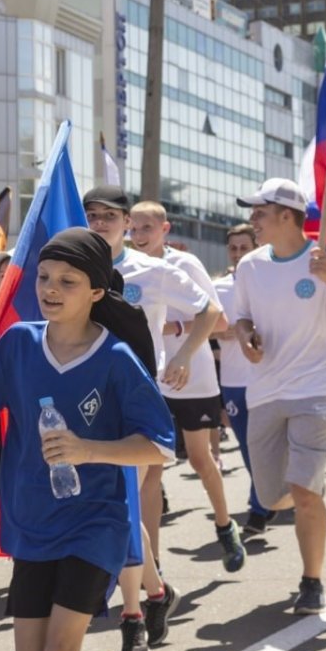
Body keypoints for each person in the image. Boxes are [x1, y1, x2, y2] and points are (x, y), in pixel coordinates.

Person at [0, 227, 174, 651]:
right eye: (45, 277)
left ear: (97, 291)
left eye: (67, 281)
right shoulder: (18, 343)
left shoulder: (115, 358)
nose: (51, 289)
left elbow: (160, 445)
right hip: (33, 521)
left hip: (94, 521)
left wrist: (88, 450)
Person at [83, 185, 218, 651]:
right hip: (87, 405)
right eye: (91, 215)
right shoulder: (73, 267)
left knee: (119, 506)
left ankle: (133, 616)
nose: (100, 223)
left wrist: (183, 354)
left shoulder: (156, 271)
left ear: (127, 221)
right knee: (115, 509)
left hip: (139, 404)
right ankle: (156, 591)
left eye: (108, 216)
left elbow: (211, 312)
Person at [233, 178, 326, 614]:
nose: (253, 221)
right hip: (264, 392)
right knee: (271, 496)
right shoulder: (251, 266)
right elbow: (241, 317)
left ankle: (312, 580)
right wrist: (246, 337)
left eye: (260, 212)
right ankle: (307, 484)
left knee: (302, 491)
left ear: (287, 216)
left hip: (316, 389)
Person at [129, 201, 245, 570]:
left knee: (199, 459)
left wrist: (171, 328)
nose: (139, 235)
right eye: (134, 228)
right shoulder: (130, 269)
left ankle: (225, 525)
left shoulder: (185, 264)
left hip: (193, 379)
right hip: (152, 381)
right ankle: (155, 564)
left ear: (165, 230)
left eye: (147, 228)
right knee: (152, 469)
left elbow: (222, 321)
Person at [212, 224, 270, 536]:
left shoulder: (268, 282)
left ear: (255, 247)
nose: (237, 254)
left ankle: (260, 507)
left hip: (267, 377)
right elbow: (208, 329)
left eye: (243, 248)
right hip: (233, 380)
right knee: (248, 448)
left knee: (266, 446)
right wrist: (236, 332)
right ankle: (264, 500)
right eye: (233, 248)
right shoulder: (218, 287)